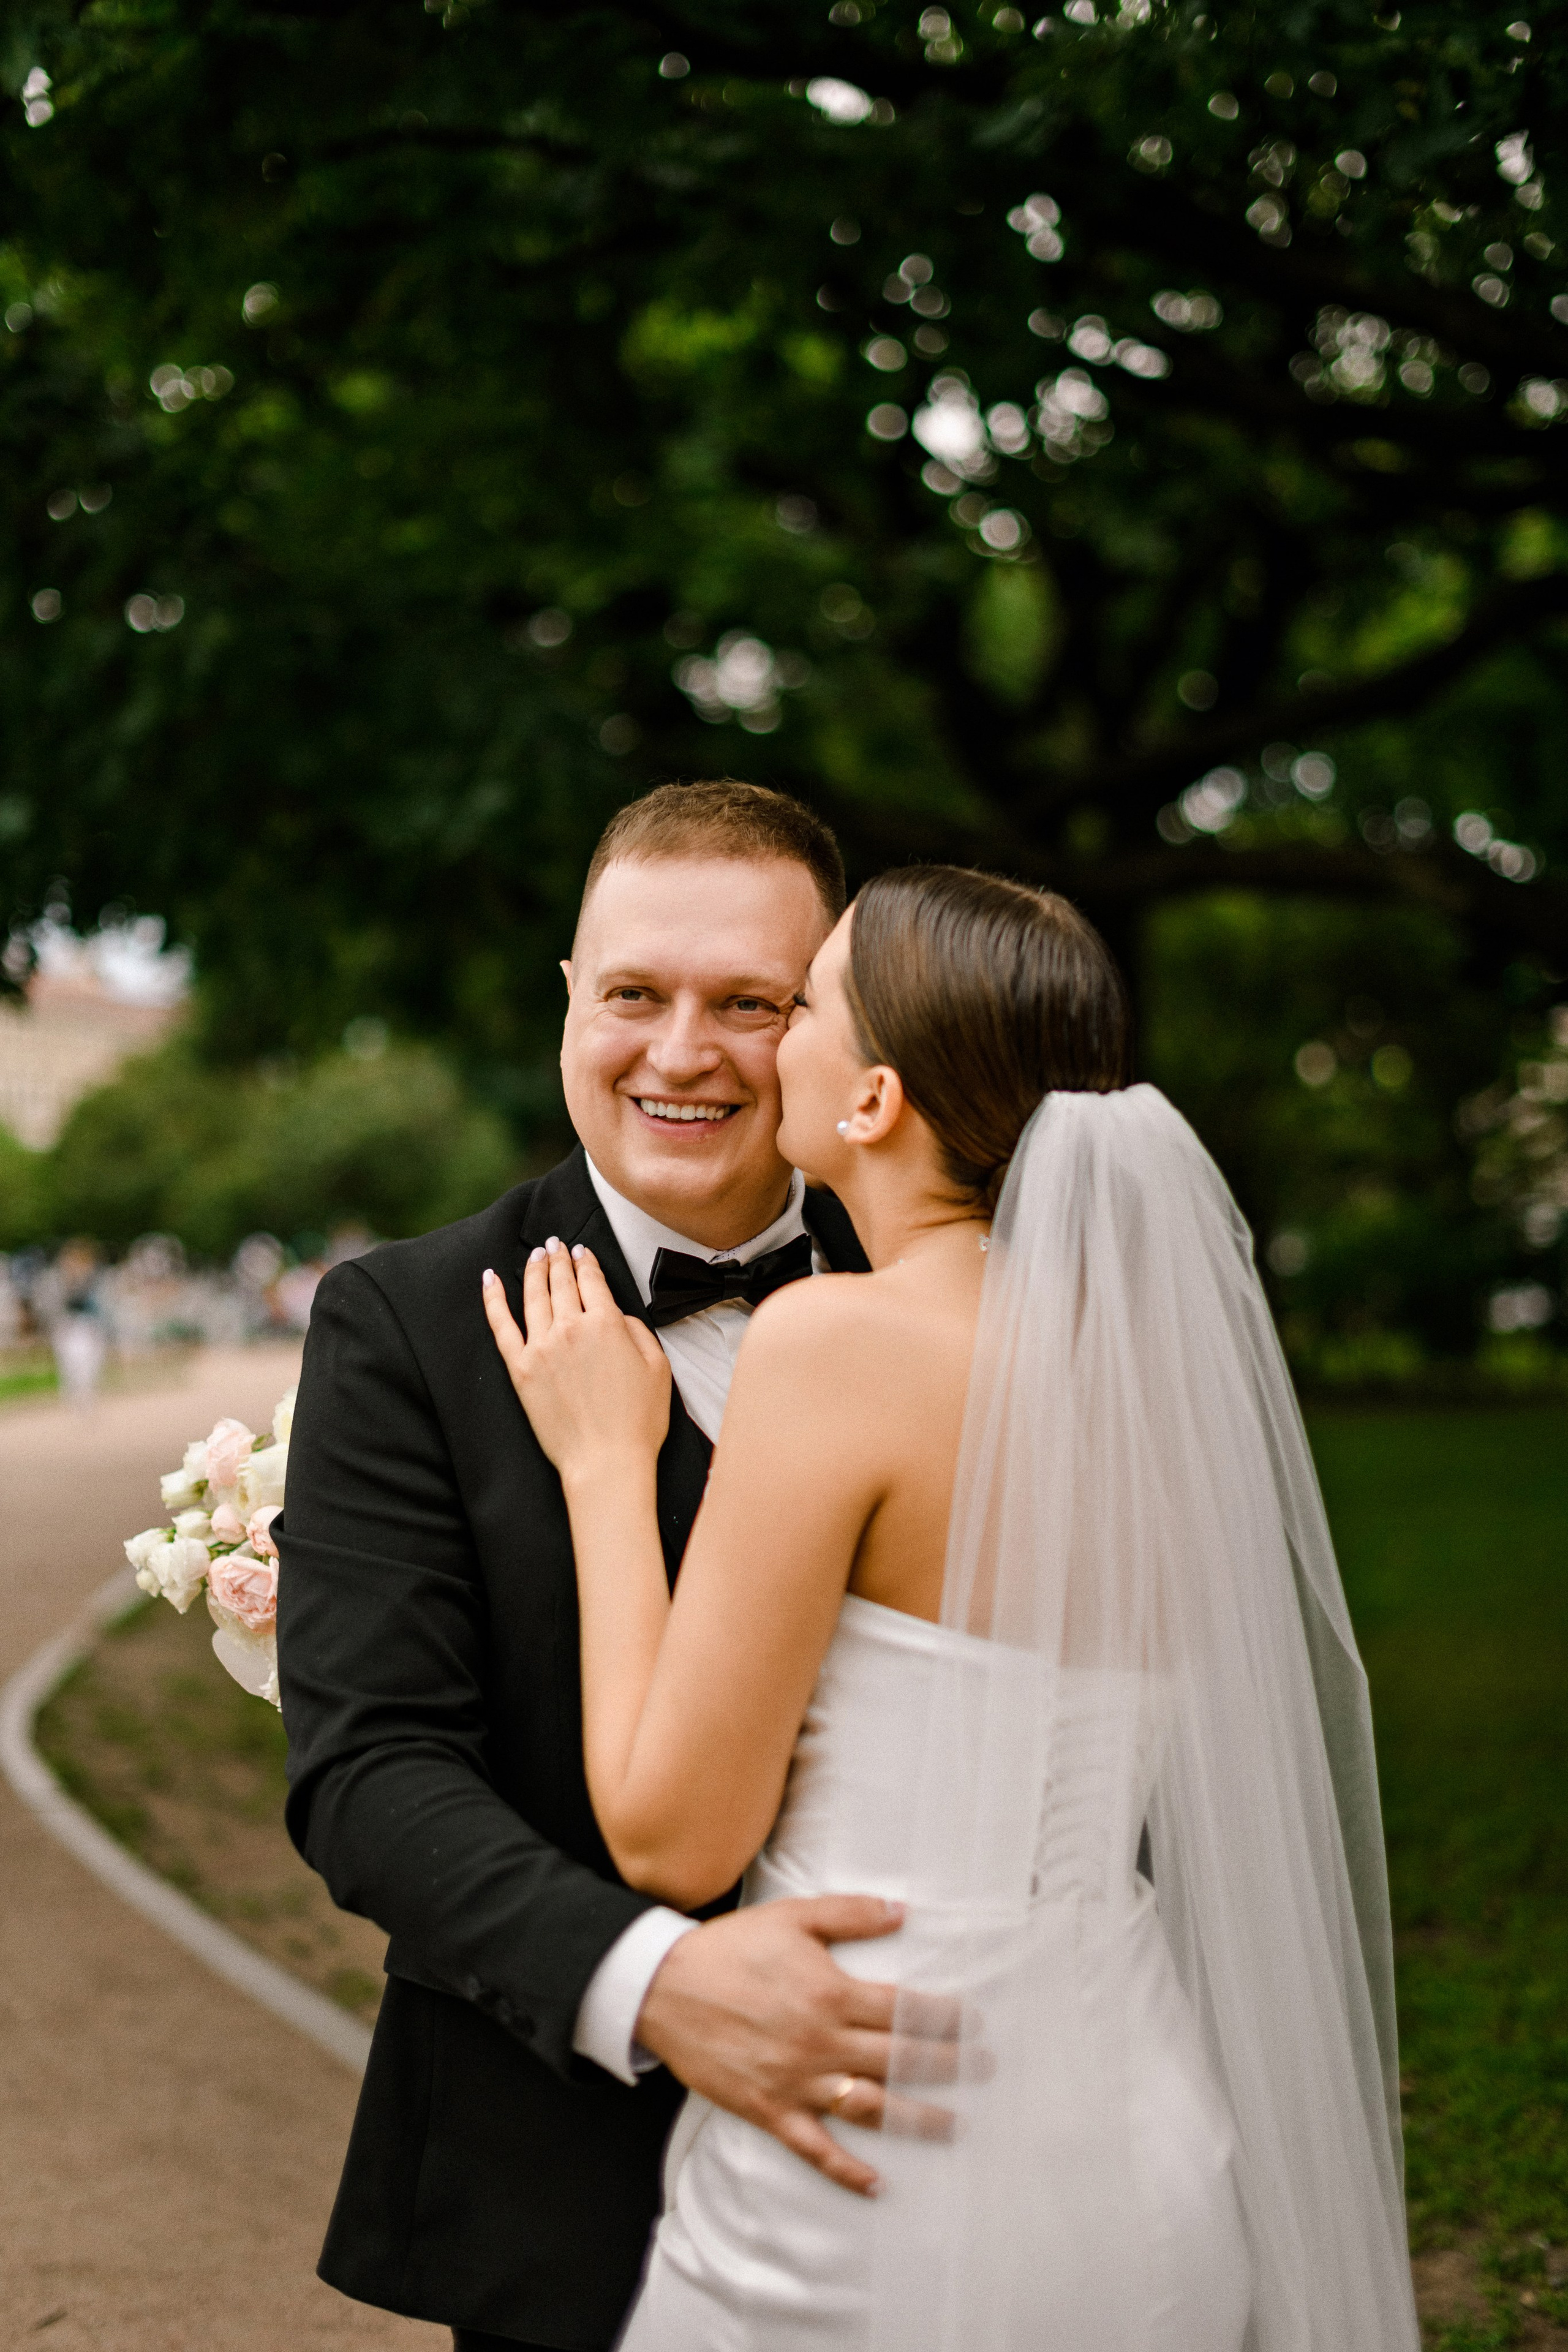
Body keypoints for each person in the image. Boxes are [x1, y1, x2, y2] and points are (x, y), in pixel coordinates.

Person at [484, 865, 1423, 2351]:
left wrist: (608, 1466)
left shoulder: (837, 1344)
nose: (768, 1033)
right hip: (1134, 2118)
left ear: (867, 1102)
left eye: (800, 1005)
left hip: (870, 2120)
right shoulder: (1164, 1384)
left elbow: (672, 1833)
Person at [277, 781, 949, 2352]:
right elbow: (371, 1769)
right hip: (558, 2180)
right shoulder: (403, 1325)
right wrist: (658, 1987)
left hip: (921, 2122)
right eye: (634, 994)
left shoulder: (948, 1292)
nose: (679, 1053)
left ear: (831, 1031)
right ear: (569, 999)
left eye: (749, 1003)